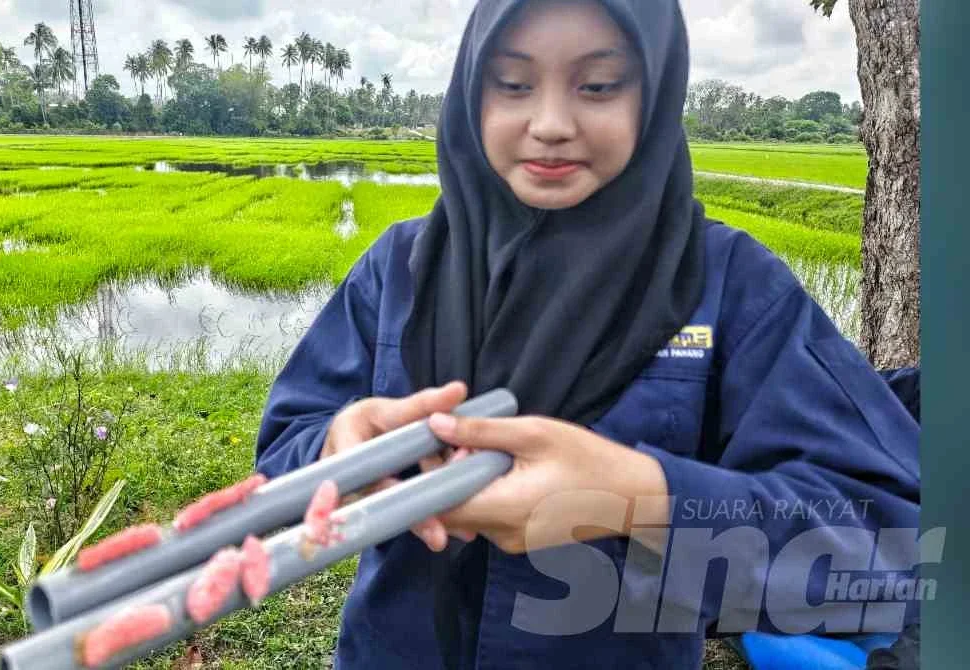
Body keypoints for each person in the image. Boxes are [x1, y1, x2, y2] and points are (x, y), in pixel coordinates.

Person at [255, 1, 921, 668]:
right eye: (513, 85)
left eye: (598, 85)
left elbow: (888, 538)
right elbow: (287, 447)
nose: (550, 125)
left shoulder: (729, 287)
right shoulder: (401, 268)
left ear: (655, 93)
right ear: (470, 94)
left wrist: (641, 498)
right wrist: (339, 455)